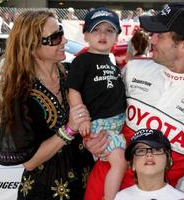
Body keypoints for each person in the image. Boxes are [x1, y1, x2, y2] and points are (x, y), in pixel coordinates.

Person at [84, 2, 184, 200]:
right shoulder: (134, 69)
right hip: (98, 190)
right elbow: (100, 114)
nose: (151, 39)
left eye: (160, 35)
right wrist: (93, 142)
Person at [0, 10, 94, 200]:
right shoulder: (19, 94)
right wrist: (69, 129)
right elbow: (30, 162)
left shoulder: (71, 73)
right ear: (32, 47)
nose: (64, 41)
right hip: (43, 191)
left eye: (61, 32)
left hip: (85, 184)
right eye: (55, 37)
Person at [67, 7, 127, 200]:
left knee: (117, 161)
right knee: (119, 161)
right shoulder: (82, 61)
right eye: (96, 30)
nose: (103, 34)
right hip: (100, 125)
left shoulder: (111, 61)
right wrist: (82, 118)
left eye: (109, 30)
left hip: (116, 124)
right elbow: (73, 90)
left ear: (117, 37)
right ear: (85, 36)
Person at [115, 128, 184, 200]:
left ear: (168, 160)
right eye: (141, 150)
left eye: (157, 149)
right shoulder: (121, 197)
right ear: (132, 164)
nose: (149, 154)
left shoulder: (180, 198)